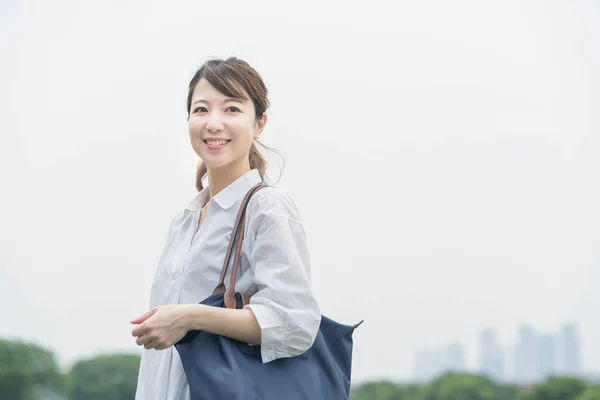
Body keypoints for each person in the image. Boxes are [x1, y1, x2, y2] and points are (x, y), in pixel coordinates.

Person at [130, 57, 321, 399]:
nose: (213, 123)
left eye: (232, 109)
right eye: (201, 109)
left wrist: (189, 317)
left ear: (259, 122)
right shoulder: (184, 220)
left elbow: (296, 324)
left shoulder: (266, 207)